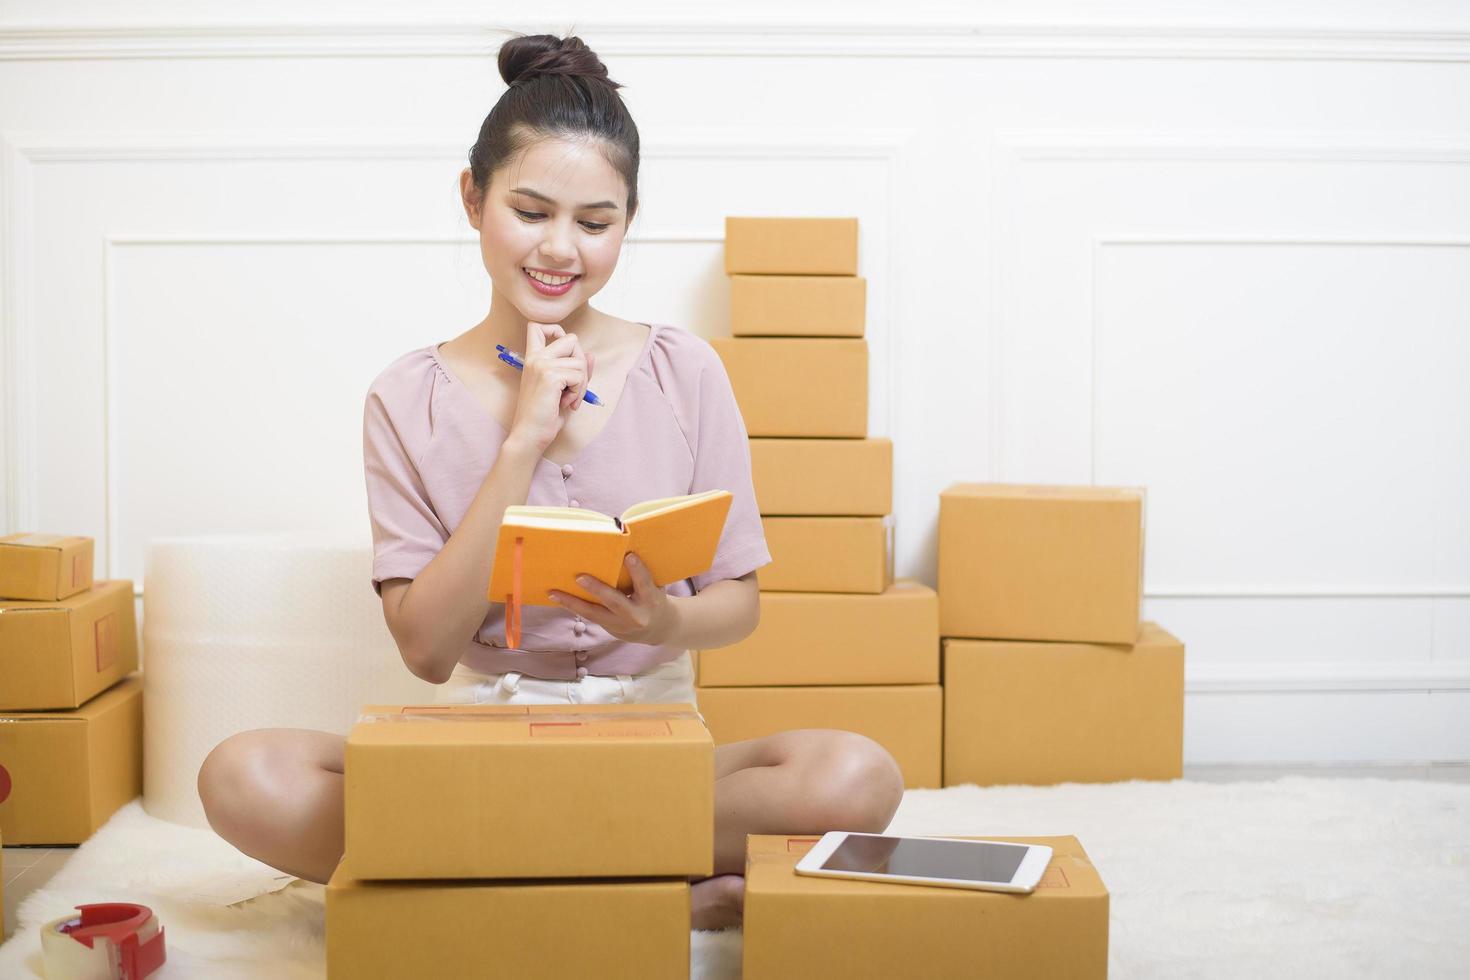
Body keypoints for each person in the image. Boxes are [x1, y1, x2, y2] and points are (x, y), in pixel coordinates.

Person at [197, 32, 904, 931]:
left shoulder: (684, 372)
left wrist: (669, 621)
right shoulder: (405, 397)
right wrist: (523, 439)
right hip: (478, 750)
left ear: (627, 221)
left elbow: (741, 602)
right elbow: (426, 650)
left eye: (595, 222)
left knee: (857, 774)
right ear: (473, 198)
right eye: (530, 211)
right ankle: (641, 886)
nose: (560, 249)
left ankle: (502, 880)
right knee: (241, 775)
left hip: (653, 748)